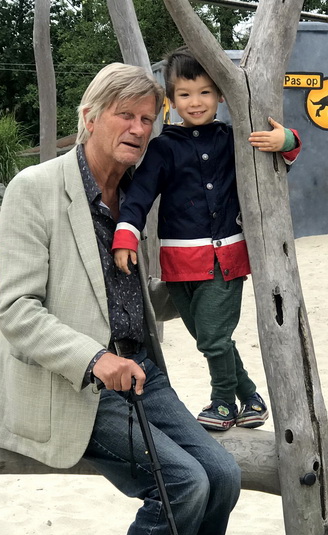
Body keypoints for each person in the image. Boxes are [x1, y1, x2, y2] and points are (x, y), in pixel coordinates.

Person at [0, 63, 242, 535]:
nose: (138, 127)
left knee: (223, 473)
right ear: (89, 117)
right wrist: (94, 358)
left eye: (146, 117)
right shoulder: (36, 188)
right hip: (70, 384)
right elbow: (16, 311)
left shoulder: (138, 188)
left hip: (142, 374)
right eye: (124, 115)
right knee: (182, 483)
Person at [112, 46, 301, 431]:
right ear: (171, 99)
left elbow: (284, 156)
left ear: (219, 95)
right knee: (211, 339)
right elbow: (139, 196)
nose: (195, 102)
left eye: (204, 92)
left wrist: (287, 141)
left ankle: (222, 403)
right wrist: (126, 235)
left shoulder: (236, 139)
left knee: (214, 338)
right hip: (179, 267)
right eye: (184, 94)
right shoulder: (163, 148)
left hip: (226, 260)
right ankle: (250, 397)